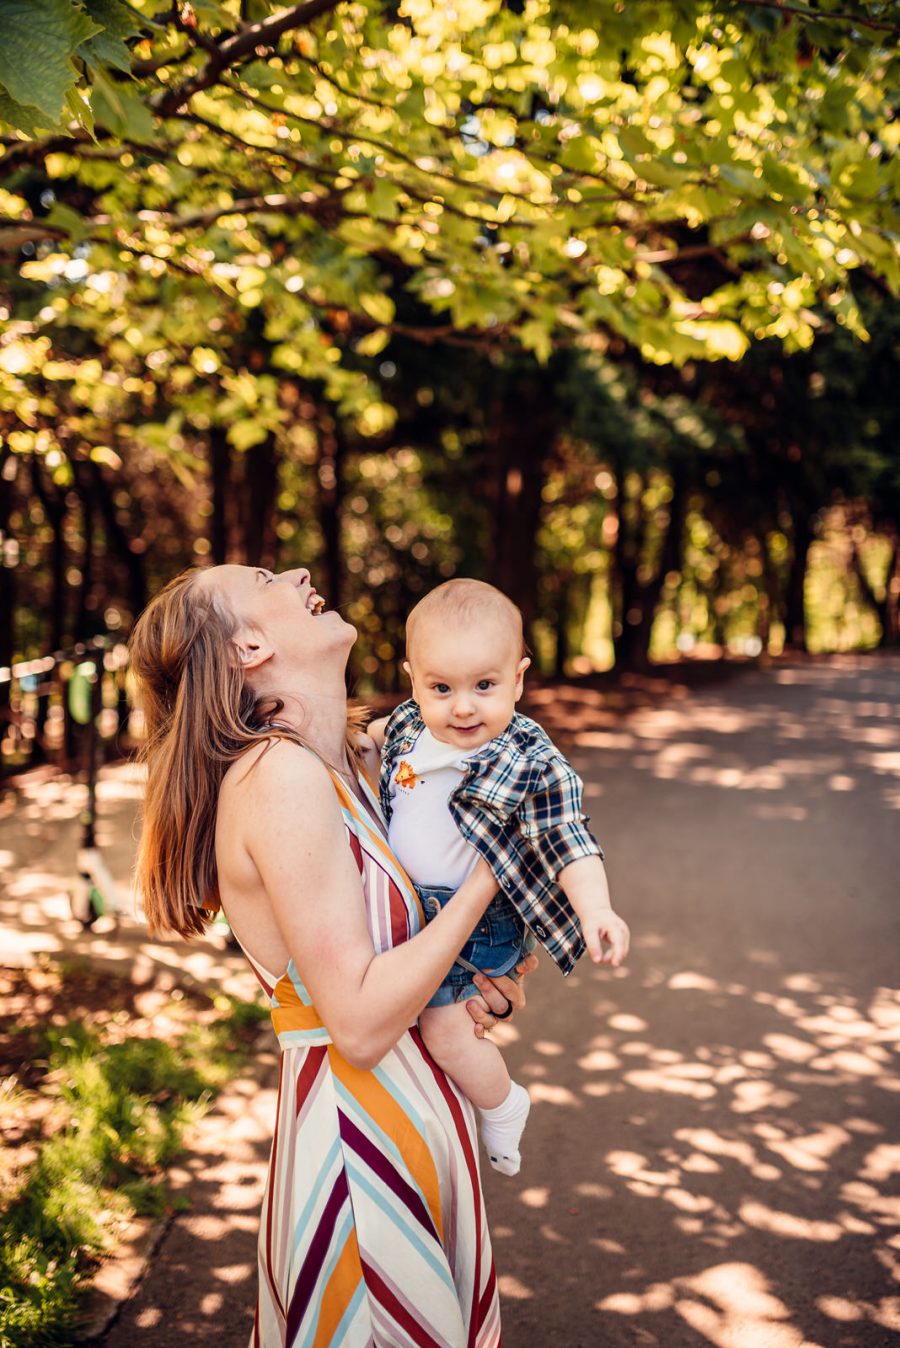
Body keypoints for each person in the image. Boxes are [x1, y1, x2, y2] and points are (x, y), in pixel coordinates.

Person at [129, 564, 537, 1348]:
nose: (299, 573)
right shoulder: (277, 776)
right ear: (247, 645)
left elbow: (407, 954)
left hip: (416, 1115)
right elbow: (353, 1021)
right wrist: (493, 871)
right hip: (361, 1148)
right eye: (265, 577)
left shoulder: (352, 760)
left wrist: (483, 981)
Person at [369, 579, 630, 1178]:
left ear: (518, 679)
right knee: (399, 1017)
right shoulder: (410, 725)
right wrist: (360, 738)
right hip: (414, 912)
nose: (463, 707)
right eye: (441, 687)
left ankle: (503, 1104)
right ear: (413, 680)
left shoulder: (531, 760)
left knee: (442, 1029)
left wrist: (597, 911)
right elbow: (378, 735)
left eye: (485, 686)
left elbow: (570, 840)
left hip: (479, 924)